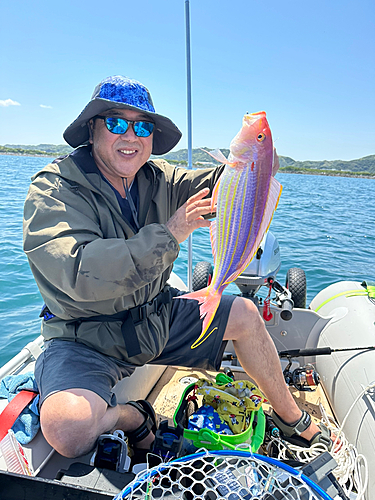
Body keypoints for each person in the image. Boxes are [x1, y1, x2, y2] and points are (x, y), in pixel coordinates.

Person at [23, 75, 332, 460]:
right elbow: (79, 273)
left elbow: (217, 184)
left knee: (246, 314)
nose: (131, 136)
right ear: (92, 128)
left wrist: (254, 171)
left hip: (153, 319)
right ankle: (133, 418)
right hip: (85, 336)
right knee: (68, 428)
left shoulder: (158, 178)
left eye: (143, 126)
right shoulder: (55, 189)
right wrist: (171, 232)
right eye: (117, 123)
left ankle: (293, 419)